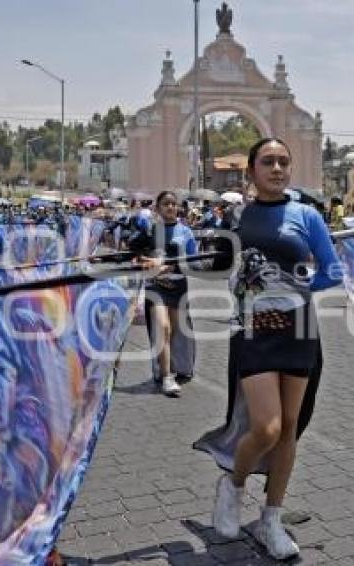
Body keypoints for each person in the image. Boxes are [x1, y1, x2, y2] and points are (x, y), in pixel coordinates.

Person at [194, 138, 342, 560]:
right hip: (254, 330)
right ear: (252, 171)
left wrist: (291, 290)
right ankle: (232, 485)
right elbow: (213, 262)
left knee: (290, 427)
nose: (276, 168)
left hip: (297, 329)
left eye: (283, 161)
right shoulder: (236, 216)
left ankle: (270, 519)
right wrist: (164, 260)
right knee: (267, 428)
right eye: (267, 161)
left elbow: (330, 271)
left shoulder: (307, 215)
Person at [130, 190, 204, 397]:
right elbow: (135, 254)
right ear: (158, 208)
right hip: (156, 286)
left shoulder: (186, 232)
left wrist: (173, 267)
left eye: (173, 204)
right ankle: (166, 377)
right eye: (166, 204)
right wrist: (147, 262)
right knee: (163, 327)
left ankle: (179, 367)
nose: (171, 207)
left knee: (177, 332)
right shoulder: (151, 231)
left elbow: (195, 263)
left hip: (178, 286)